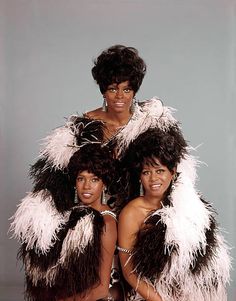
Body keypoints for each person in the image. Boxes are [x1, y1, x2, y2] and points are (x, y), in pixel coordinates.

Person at [10, 122, 124, 301]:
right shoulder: (74, 214)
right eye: (81, 179)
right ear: (74, 182)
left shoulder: (106, 222)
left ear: (104, 184)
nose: (86, 186)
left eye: (94, 179)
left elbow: (101, 289)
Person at [117, 126, 231, 301]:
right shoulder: (131, 213)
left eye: (160, 171)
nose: (154, 179)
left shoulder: (189, 206)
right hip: (149, 294)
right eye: (146, 172)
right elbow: (129, 270)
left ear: (173, 171)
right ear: (139, 176)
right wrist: (159, 299)